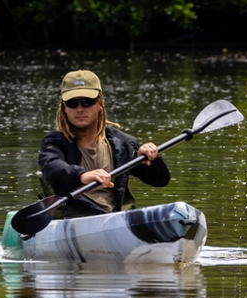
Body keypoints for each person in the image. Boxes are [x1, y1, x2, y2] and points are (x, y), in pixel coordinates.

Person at [38, 70, 170, 218]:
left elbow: (160, 180)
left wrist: (151, 159)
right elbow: (51, 166)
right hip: (73, 218)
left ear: (100, 104)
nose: (80, 109)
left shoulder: (123, 143)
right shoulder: (55, 141)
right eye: (72, 103)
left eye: (87, 102)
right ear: (64, 108)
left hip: (115, 219)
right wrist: (82, 176)